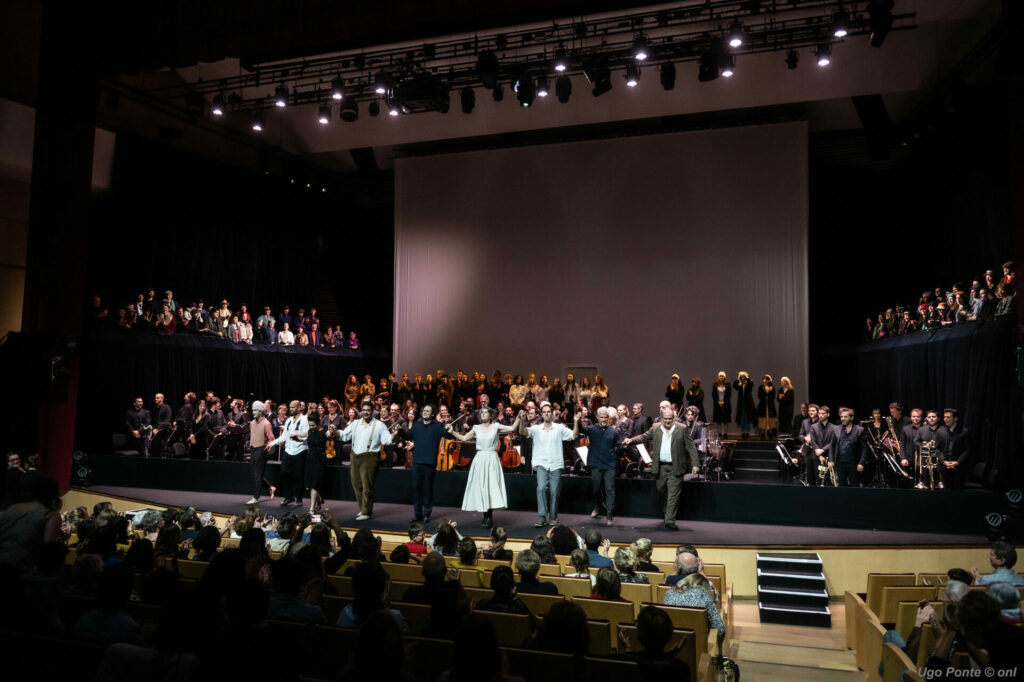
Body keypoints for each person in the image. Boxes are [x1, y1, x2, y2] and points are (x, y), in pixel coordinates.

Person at [624, 401, 699, 530]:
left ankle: (670, 520)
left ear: (674, 418)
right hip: (660, 467)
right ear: (662, 418)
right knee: (661, 490)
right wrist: (631, 440)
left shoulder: (682, 428)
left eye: (670, 419)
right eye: (666, 419)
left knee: (673, 494)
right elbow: (643, 437)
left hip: (676, 466)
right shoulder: (656, 427)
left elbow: (691, 447)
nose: (668, 421)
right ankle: (666, 513)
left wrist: (695, 464)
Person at [445, 407, 523, 528]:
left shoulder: (496, 426)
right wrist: (451, 431)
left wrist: (518, 417)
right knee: (481, 488)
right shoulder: (476, 428)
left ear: (491, 416)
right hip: (480, 459)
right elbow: (465, 438)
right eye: (482, 413)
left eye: (486, 412)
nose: (483, 414)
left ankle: (489, 517)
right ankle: (485, 517)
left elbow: (512, 428)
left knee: (489, 487)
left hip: (491, 458)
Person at [519, 403, 574, 528]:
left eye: (549, 411)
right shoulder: (537, 429)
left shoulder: (559, 428)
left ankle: (553, 517)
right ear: (541, 414)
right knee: (541, 488)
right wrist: (522, 420)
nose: (547, 414)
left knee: (554, 491)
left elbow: (574, 435)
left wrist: (576, 422)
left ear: (552, 413)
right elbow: (522, 431)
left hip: (555, 463)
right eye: (544, 412)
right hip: (541, 463)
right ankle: (542, 516)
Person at [338, 401, 393, 521]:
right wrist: (335, 432)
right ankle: (362, 508)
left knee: (367, 486)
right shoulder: (356, 423)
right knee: (356, 485)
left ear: (373, 411)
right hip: (354, 456)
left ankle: (367, 512)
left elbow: (387, 440)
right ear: (361, 411)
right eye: (364, 410)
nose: (366, 412)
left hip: (370, 457)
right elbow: (345, 435)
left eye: (369, 410)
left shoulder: (379, 425)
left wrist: (394, 436)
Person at [400, 404, 449, 524]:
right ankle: (417, 514)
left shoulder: (437, 426)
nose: (425, 412)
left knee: (427, 489)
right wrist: (400, 431)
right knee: (416, 488)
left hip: (429, 462)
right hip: (417, 462)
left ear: (432, 414)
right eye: (424, 411)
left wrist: (449, 427)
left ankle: (426, 513)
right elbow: (408, 435)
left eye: (428, 411)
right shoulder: (417, 425)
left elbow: (447, 435)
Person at [574, 406, 623, 526]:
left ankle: (609, 514)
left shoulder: (614, 431)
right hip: (595, 464)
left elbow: (619, 445)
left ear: (608, 417)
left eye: (606, 417)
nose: (604, 419)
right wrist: (578, 421)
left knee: (609, 490)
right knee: (596, 489)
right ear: (597, 417)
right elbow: (582, 430)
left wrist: (614, 452)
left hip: (609, 464)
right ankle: (598, 506)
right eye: (601, 417)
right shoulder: (592, 429)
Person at [664, 552, 725, 640]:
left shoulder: (669, 592)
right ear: (698, 566)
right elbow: (720, 630)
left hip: (672, 641)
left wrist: (676, 570)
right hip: (700, 645)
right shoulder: (704, 591)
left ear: (678, 566)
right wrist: (701, 572)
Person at [618, 605, 690, 677]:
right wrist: (668, 657)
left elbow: (636, 665)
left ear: (641, 635)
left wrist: (627, 649)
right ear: (669, 634)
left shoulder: (626, 662)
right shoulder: (681, 668)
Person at [268, 400, 309, 508]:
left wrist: (297, 437)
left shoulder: (305, 420)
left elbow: (306, 436)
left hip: (300, 450)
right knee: (284, 472)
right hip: (288, 451)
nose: (291, 410)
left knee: (297, 476)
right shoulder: (289, 420)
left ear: (299, 408)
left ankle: (299, 499)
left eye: (293, 408)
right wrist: (273, 443)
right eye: (290, 408)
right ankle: (288, 496)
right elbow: (284, 436)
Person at [245, 401, 276, 504]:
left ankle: (256, 497)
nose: (253, 412)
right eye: (253, 410)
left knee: (258, 475)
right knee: (256, 474)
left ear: (261, 411)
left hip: (261, 450)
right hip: (253, 450)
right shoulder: (252, 423)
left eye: (255, 410)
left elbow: (272, 438)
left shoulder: (266, 423)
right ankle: (270, 487)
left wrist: (268, 445)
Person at [833, 407, 866, 487]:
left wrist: (861, 463)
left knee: (854, 486)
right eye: (841, 417)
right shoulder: (836, 429)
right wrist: (831, 460)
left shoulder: (859, 430)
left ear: (851, 417)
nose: (843, 418)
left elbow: (864, 448)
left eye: (845, 416)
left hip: (853, 463)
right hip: (840, 463)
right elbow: (832, 445)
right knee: (841, 487)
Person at [941, 408, 969, 490]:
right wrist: (944, 461)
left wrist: (958, 462)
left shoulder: (964, 431)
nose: (945, 419)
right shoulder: (941, 431)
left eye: (948, 417)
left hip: (959, 468)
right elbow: (937, 448)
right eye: (944, 417)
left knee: (958, 492)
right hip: (945, 467)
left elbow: (968, 449)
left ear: (955, 418)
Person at [304, 416, 327, 514]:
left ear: (318, 423)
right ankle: (319, 500)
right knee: (308, 485)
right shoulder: (310, 431)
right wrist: (296, 435)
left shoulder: (324, 432)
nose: (311, 427)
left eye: (313, 425)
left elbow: (330, 433)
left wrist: (333, 430)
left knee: (314, 484)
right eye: (309, 425)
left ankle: (311, 508)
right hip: (310, 459)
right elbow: (304, 435)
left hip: (319, 460)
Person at [710, 372, 732, 438]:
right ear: (718, 377)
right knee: (718, 420)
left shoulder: (728, 384)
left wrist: (724, 402)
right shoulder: (715, 385)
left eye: (722, 376)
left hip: (726, 404)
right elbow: (713, 395)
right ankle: (719, 433)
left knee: (726, 420)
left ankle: (725, 433)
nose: (721, 377)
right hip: (717, 404)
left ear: (724, 377)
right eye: (720, 376)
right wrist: (718, 402)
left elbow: (729, 395)